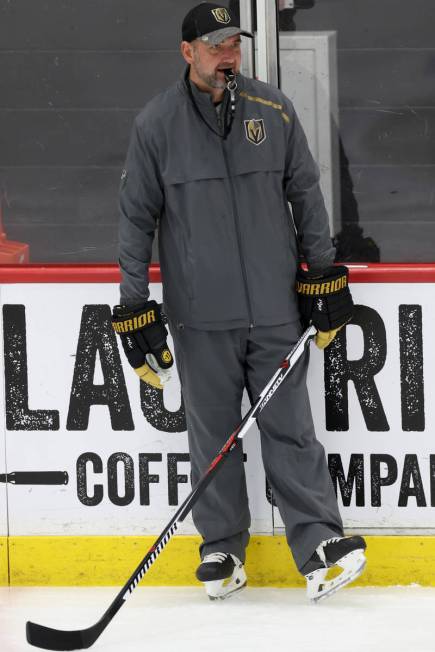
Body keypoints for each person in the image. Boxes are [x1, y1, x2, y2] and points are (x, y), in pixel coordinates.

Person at [112, 1, 366, 602]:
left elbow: (306, 192)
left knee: (290, 430)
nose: (229, 55)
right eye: (217, 44)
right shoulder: (156, 125)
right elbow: (134, 222)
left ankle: (320, 546)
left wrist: (323, 274)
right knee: (213, 436)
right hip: (201, 315)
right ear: (188, 52)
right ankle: (223, 548)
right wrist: (133, 306)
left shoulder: (272, 110)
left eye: (235, 44)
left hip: (275, 308)